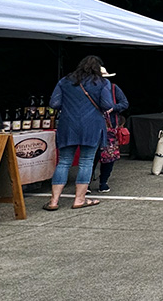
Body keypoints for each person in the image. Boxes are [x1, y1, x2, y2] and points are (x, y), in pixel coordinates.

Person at [44, 55, 115, 211]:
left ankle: (54, 201)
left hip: (67, 125)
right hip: (92, 126)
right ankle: (79, 199)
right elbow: (107, 104)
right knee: (86, 161)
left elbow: (54, 103)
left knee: (63, 162)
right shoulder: (103, 82)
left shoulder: (65, 81)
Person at [95, 67, 129, 193]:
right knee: (91, 156)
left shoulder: (114, 88)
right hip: (93, 126)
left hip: (110, 127)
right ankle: (86, 184)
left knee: (109, 156)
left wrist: (113, 108)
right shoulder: (88, 89)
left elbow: (124, 103)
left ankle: (103, 181)